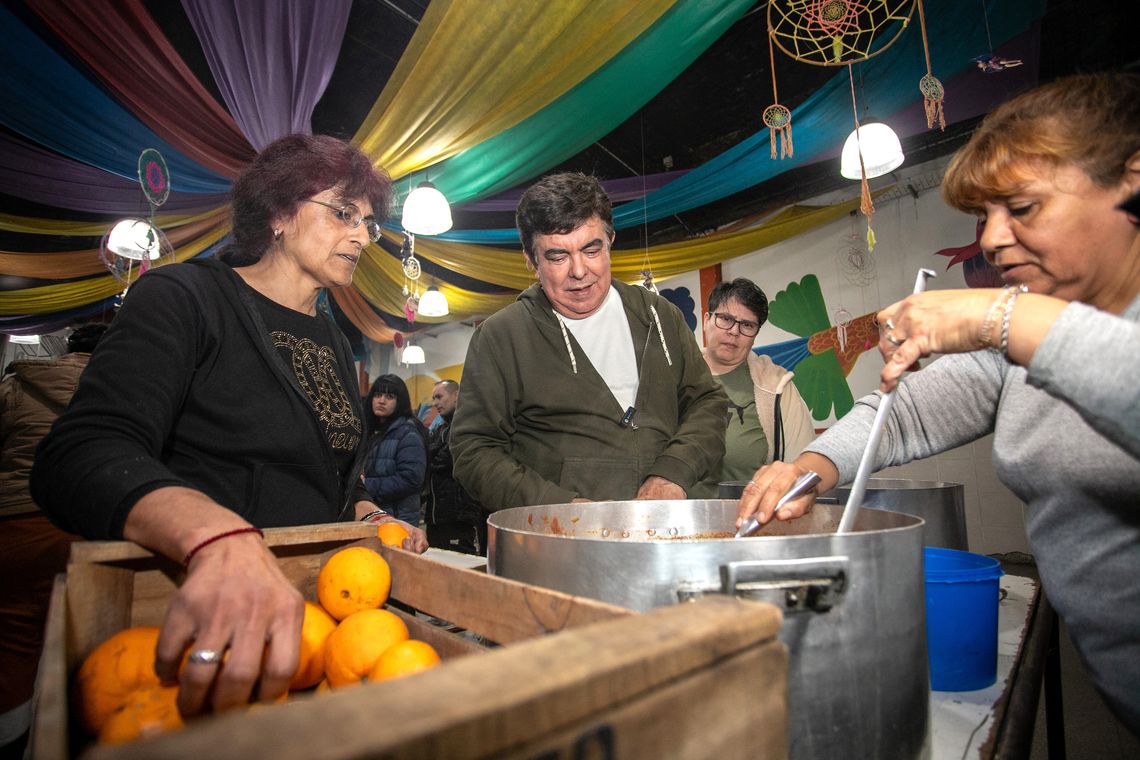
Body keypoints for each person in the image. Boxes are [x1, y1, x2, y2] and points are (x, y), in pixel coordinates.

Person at [737, 72, 1140, 735]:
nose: (990, 240)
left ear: (1130, 178)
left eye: (1024, 208)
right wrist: (809, 465)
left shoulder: (1024, 324)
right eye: (986, 217)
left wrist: (1001, 315)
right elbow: (910, 413)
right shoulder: (1029, 338)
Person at [30, 134, 427, 720]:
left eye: (368, 222)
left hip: (313, 620)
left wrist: (367, 510)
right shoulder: (185, 298)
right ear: (277, 213)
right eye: (344, 213)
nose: (363, 236)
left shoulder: (338, 344)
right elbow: (82, 452)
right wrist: (215, 536)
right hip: (192, 613)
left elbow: (326, 472)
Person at [451, 172, 726, 509]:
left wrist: (673, 473)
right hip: (562, 549)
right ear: (531, 260)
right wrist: (561, 509)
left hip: (667, 535)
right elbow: (474, 450)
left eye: (591, 249)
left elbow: (708, 404)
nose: (579, 271)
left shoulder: (658, 315)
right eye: (557, 257)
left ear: (610, 240)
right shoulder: (500, 337)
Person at [0, 323, 106, 754]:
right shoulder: (119, 388)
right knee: (84, 642)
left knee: (14, 639)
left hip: (16, 522)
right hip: (85, 525)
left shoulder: (18, 386)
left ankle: (14, 738)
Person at [695, 277, 814, 496]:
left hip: (749, 522)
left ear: (755, 333)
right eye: (725, 319)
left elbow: (801, 471)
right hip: (675, 520)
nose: (734, 331)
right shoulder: (674, 376)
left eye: (747, 325)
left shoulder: (777, 388)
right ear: (706, 320)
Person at [423, 380, 485, 554]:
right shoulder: (441, 430)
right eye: (434, 398)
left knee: (461, 567)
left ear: (457, 396)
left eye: (439, 397)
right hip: (436, 516)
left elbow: (447, 461)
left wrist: (432, 460)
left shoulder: (468, 428)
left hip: (459, 516)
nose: (435, 403)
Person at [362, 374, 428, 525]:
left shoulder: (408, 434)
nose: (382, 401)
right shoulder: (372, 432)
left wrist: (365, 485)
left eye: (389, 396)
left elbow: (411, 479)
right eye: (377, 395)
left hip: (398, 520)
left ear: (400, 402)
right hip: (375, 515)